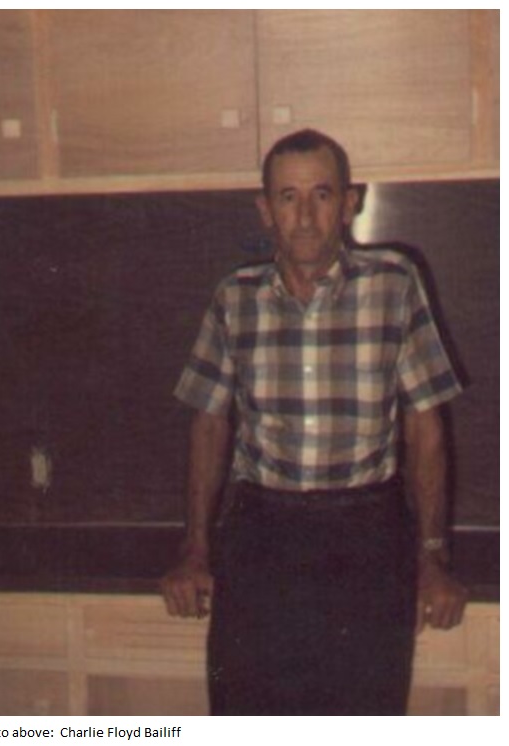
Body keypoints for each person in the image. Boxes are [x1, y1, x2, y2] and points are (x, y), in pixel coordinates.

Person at [161, 129, 468, 716]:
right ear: (265, 209)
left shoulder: (394, 283)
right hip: (261, 537)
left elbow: (426, 429)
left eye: (321, 195)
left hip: (366, 537)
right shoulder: (234, 298)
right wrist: (195, 547)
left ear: (350, 203)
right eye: (288, 197)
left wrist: (433, 558)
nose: (304, 217)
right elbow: (209, 424)